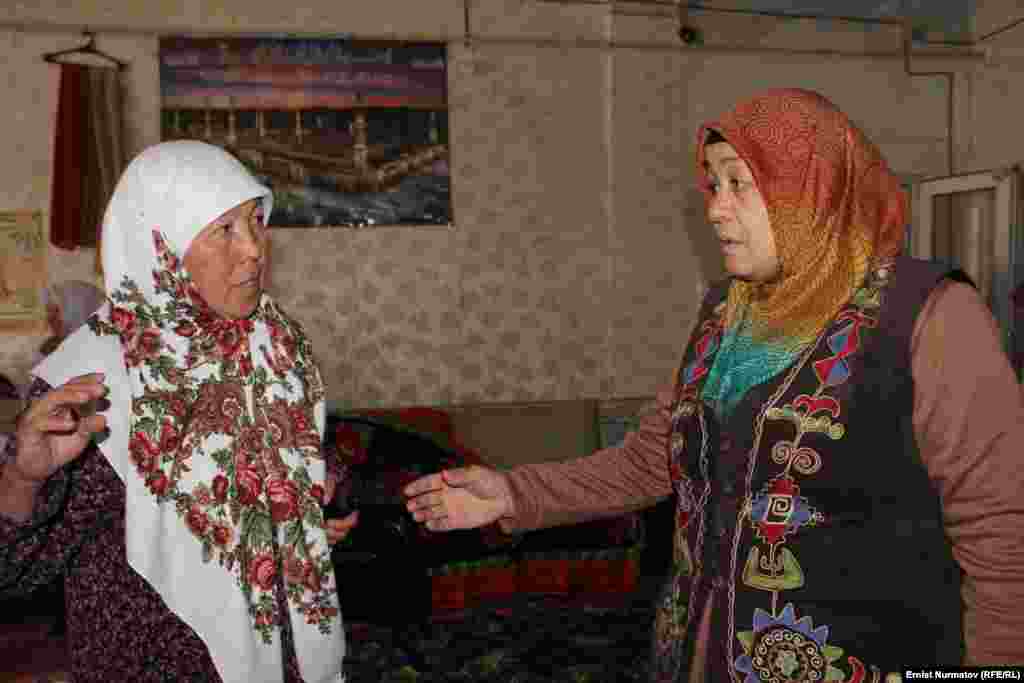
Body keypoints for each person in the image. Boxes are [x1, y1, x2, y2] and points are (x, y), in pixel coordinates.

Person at [403, 89, 1024, 680]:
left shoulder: (928, 315)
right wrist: (512, 494)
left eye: (739, 185)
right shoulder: (726, 315)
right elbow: (654, 460)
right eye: (713, 184)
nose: (715, 208)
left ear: (813, 190)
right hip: (703, 656)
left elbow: (1001, 530)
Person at [0, 140, 358, 683]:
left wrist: (317, 493)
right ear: (160, 244)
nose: (254, 249)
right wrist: (22, 479)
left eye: (255, 220)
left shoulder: (274, 344)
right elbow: (14, 573)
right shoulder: (95, 383)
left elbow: (309, 452)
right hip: (155, 662)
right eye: (224, 230)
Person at [37, 280, 107, 359]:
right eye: (48, 312)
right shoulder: (49, 350)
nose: (49, 320)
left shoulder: (99, 355)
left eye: (57, 311)